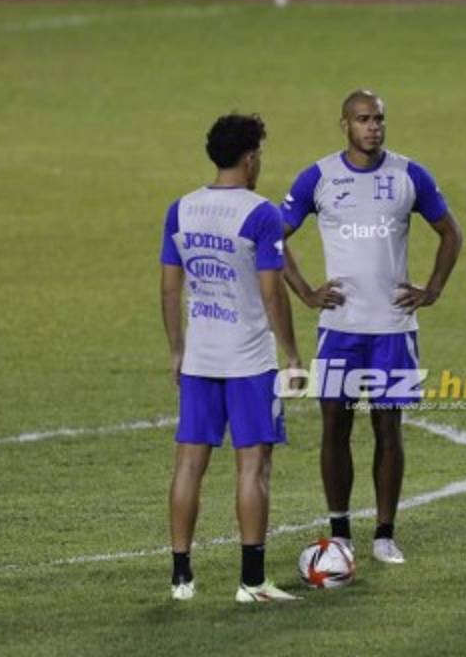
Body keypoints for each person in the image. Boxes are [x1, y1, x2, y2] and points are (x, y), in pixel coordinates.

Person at [280, 89, 463, 564]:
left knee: (389, 428)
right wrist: (303, 291)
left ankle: (384, 534)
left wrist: (434, 289)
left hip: (393, 327)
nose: (374, 127)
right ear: (345, 124)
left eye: (379, 118)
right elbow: (272, 236)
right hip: (340, 326)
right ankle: (339, 531)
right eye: (364, 119)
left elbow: (451, 232)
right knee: (335, 428)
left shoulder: (409, 175)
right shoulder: (318, 178)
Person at [160, 113, 303, 603]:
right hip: (248, 361)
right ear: (250, 158)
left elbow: (169, 286)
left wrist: (177, 348)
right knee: (253, 467)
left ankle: (181, 577)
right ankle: (252, 581)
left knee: (189, 465)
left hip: (200, 357)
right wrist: (292, 353)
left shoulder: (181, 210)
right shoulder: (261, 214)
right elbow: (272, 295)